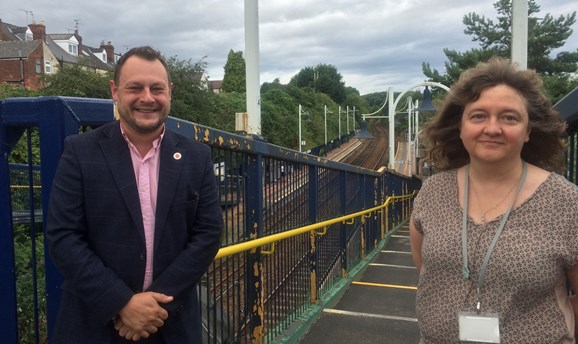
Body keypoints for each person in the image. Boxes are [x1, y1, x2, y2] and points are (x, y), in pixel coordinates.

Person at [46, 46, 223, 343]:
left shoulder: (197, 155)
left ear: (170, 91)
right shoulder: (79, 152)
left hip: (171, 322)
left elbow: (208, 233)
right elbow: (63, 236)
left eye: (157, 88)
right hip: (95, 324)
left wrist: (152, 307)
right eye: (135, 88)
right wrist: (121, 303)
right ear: (115, 90)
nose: (147, 98)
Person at [409, 57, 578, 343]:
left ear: (527, 131)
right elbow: (429, 273)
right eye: (478, 116)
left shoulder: (566, 203)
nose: (492, 128)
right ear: (460, 127)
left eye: (509, 117)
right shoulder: (433, 192)